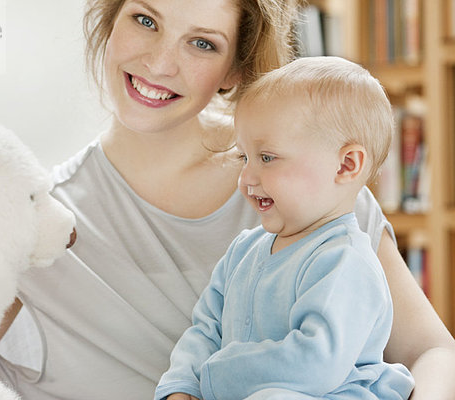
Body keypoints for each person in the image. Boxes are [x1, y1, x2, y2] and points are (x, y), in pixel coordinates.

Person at [0, 1, 455, 399]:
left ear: (235, 66)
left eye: (202, 43)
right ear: (111, 20)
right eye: (145, 20)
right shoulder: (33, 226)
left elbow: (433, 352)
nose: (160, 63)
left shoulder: (309, 182)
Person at [154, 56, 415, 400]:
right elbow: (205, 330)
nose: (246, 178)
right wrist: (182, 386)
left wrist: (214, 376)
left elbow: (316, 364)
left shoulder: (346, 262)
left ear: (346, 165)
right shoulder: (244, 251)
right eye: (244, 157)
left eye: (267, 158)